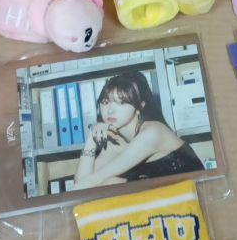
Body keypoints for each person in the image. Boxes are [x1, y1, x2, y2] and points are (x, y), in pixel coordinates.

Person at [74, 71, 204, 190]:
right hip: (166, 198)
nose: (110, 110)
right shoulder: (115, 138)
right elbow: (81, 185)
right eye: (105, 102)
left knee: (111, 183)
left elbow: (86, 185)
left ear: (139, 107)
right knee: (111, 183)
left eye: (121, 103)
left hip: (196, 195)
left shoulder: (152, 133)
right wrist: (91, 139)